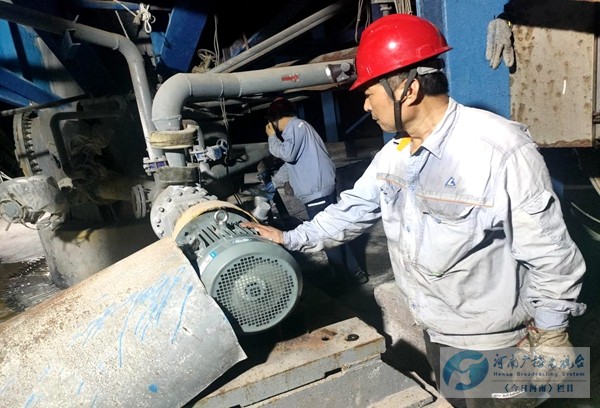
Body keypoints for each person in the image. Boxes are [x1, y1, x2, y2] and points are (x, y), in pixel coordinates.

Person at [242, 13, 587, 407]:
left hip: (495, 342)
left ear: (408, 89)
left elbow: (549, 252)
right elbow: (352, 210)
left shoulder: (499, 149)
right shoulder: (395, 154)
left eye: (369, 93)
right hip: (436, 331)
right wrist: (289, 237)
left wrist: (551, 333)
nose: (366, 106)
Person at [263, 97, 368, 286]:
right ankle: (355, 273)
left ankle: (342, 279)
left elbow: (287, 154)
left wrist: (272, 137)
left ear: (275, 119)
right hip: (319, 189)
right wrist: (274, 182)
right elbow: (290, 163)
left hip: (316, 191)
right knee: (333, 231)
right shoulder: (299, 130)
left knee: (325, 235)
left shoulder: (296, 127)